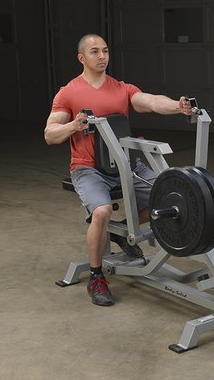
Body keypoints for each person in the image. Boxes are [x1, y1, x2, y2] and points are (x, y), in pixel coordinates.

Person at [44, 34, 192, 306]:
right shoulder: (69, 92)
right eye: (94, 52)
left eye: (105, 51)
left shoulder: (122, 89)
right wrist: (74, 125)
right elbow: (50, 134)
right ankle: (96, 277)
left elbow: (150, 101)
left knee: (170, 197)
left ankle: (120, 230)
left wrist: (177, 106)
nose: (102, 56)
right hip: (88, 168)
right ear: (81, 58)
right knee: (102, 211)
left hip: (126, 164)